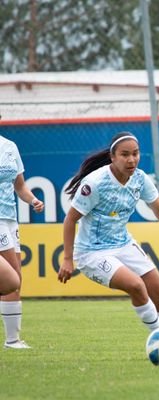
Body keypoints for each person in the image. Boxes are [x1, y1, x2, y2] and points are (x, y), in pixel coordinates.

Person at [57, 132, 159, 359]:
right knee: (136, 286)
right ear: (112, 157)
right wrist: (67, 258)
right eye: (125, 155)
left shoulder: (140, 178)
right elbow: (70, 220)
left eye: (135, 154)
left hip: (124, 244)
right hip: (92, 253)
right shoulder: (95, 183)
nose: (131, 160)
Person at [0, 124, 45, 349]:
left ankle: (12, 340)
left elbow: (20, 187)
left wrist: (32, 200)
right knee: (11, 277)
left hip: (9, 218)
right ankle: (12, 340)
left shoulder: (9, 147)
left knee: (15, 279)